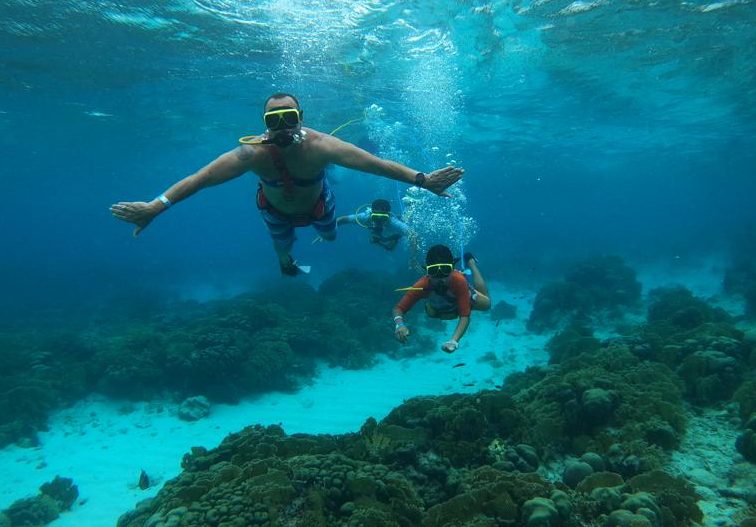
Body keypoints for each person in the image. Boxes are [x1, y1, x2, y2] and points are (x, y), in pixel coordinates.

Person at [110, 93, 463, 276]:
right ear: (264, 124)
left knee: (329, 234)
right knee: (282, 248)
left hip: (318, 205)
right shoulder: (252, 155)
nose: (281, 126)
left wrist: (422, 180)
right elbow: (200, 179)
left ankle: (321, 240)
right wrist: (156, 206)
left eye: (288, 118)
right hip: (275, 211)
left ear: (301, 120)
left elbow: (378, 165)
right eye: (273, 120)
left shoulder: (323, 146)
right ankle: (287, 264)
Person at [392, 244, 491, 353]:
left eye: (445, 270)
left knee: (486, 304)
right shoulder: (422, 285)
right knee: (433, 313)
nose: (440, 279)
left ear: (452, 269)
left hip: (459, 298)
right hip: (441, 307)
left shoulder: (459, 281)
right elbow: (399, 308)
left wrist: (453, 341)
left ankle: (471, 262)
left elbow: (464, 316)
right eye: (434, 271)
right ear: (427, 272)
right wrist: (399, 325)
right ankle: (440, 305)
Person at [333, 199, 410, 251]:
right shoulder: (365, 217)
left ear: (388, 216)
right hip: (385, 234)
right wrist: (328, 228)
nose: (379, 220)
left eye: (383, 217)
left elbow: (412, 234)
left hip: (395, 232)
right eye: (376, 217)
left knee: (392, 244)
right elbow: (343, 219)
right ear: (371, 213)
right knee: (383, 243)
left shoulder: (393, 222)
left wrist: (413, 257)